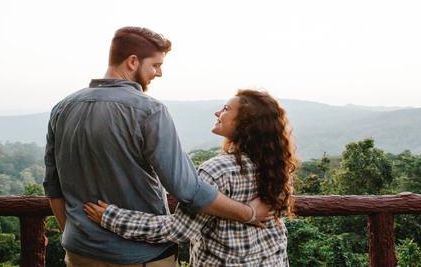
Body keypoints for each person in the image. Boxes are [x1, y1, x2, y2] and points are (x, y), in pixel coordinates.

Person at [43, 27, 273, 267]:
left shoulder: (62, 108)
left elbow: (53, 185)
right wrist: (249, 213)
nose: (159, 73)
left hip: (79, 253)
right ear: (132, 61)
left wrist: (73, 234)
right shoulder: (149, 110)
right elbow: (187, 189)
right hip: (140, 256)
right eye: (155, 65)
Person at [84, 89, 298, 266]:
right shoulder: (276, 167)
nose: (217, 112)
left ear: (246, 122)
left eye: (225, 109)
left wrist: (111, 217)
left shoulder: (217, 170)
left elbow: (177, 230)